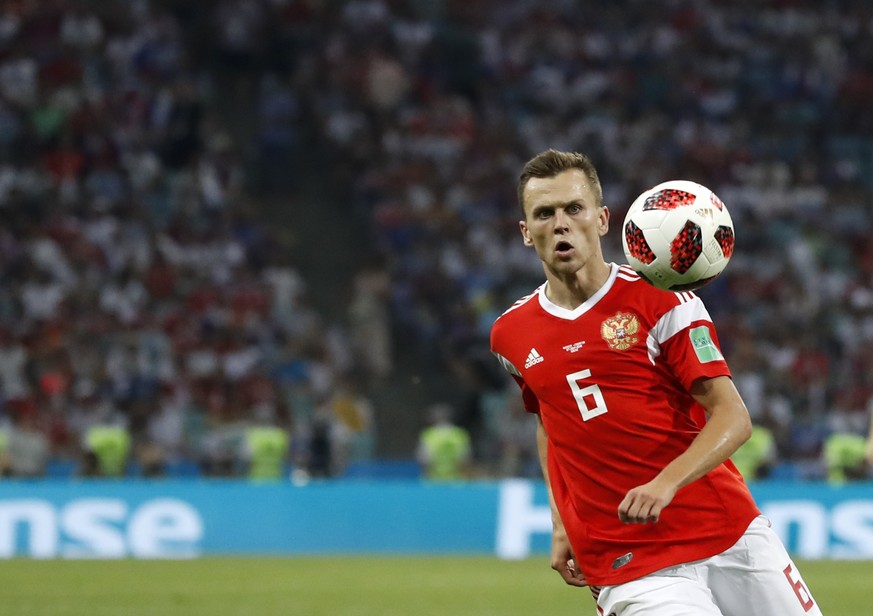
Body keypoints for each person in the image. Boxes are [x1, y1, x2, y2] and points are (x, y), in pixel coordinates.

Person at [489, 149, 823, 616]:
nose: (560, 223)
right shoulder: (510, 334)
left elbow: (733, 418)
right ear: (527, 233)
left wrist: (664, 484)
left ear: (603, 219)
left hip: (727, 530)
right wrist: (561, 519)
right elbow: (551, 418)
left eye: (574, 209)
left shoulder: (663, 301)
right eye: (544, 214)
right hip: (628, 560)